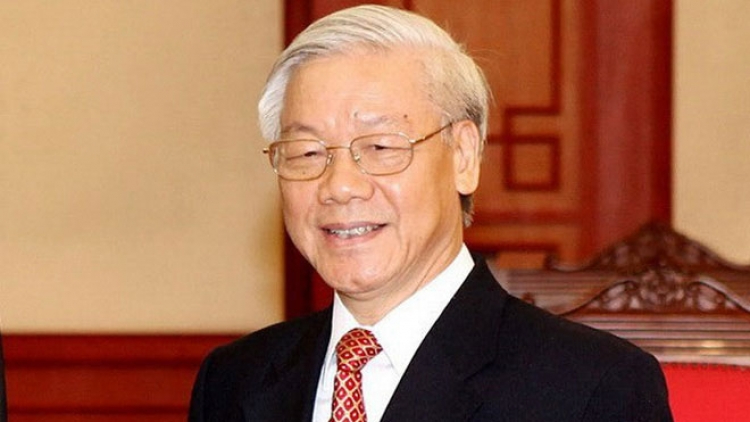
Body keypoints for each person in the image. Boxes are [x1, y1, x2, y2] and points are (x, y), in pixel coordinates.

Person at [189, 5, 673, 422]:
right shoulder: (233, 380)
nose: (339, 187)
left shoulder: (591, 387)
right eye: (307, 152)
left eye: (380, 147)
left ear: (463, 156)